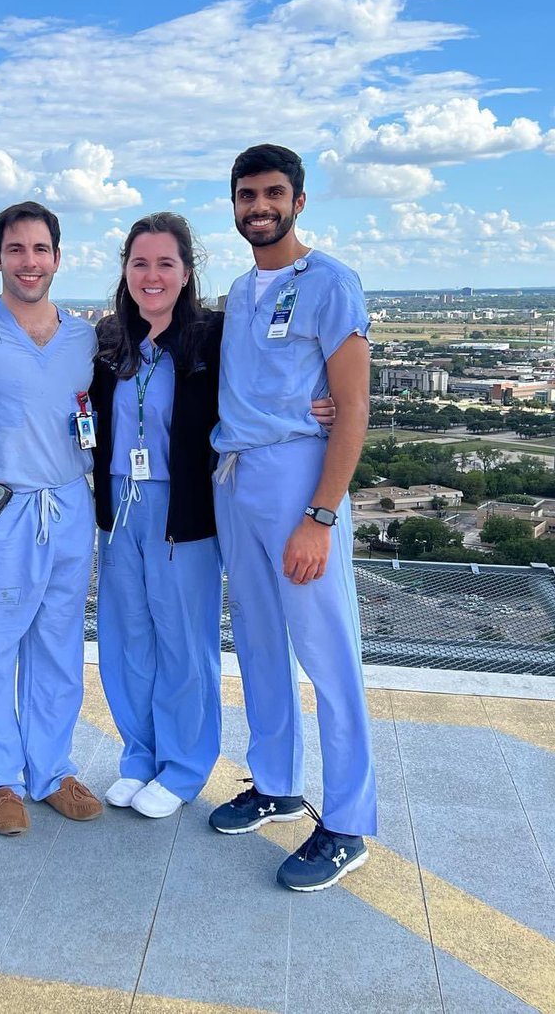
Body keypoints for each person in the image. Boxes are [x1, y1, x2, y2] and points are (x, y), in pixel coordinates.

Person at [209, 143, 376, 892]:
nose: (259, 206)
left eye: (273, 193)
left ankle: (345, 823)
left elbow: (354, 407)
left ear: (299, 200)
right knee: (257, 642)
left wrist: (320, 513)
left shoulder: (331, 282)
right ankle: (276, 781)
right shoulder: (242, 291)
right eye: (247, 195)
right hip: (235, 478)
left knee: (327, 652)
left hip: (296, 484)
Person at [0, 201, 102, 836]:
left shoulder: (84, 336)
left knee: (59, 644)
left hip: (69, 505)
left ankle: (51, 770)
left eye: (41, 250)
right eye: (16, 250)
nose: (29, 262)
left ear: (58, 259)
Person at [89, 213, 225, 820]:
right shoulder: (111, 341)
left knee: (184, 644)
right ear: (125, 270)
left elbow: (269, 387)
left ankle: (185, 766)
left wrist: (319, 406)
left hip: (181, 513)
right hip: (119, 509)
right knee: (126, 641)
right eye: (139, 263)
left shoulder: (212, 339)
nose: (151, 275)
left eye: (165, 263)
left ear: (187, 272)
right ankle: (139, 757)